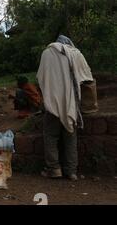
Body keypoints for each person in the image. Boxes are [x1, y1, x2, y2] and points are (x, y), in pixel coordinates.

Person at [37, 35, 94, 181]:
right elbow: (87, 77)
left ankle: (54, 169)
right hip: (71, 104)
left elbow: (40, 77)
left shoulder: (46, 53)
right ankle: (71, 171)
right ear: (69, 43)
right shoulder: (76, 53)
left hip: (52, 102)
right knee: (70, 136)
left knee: (51, 135)